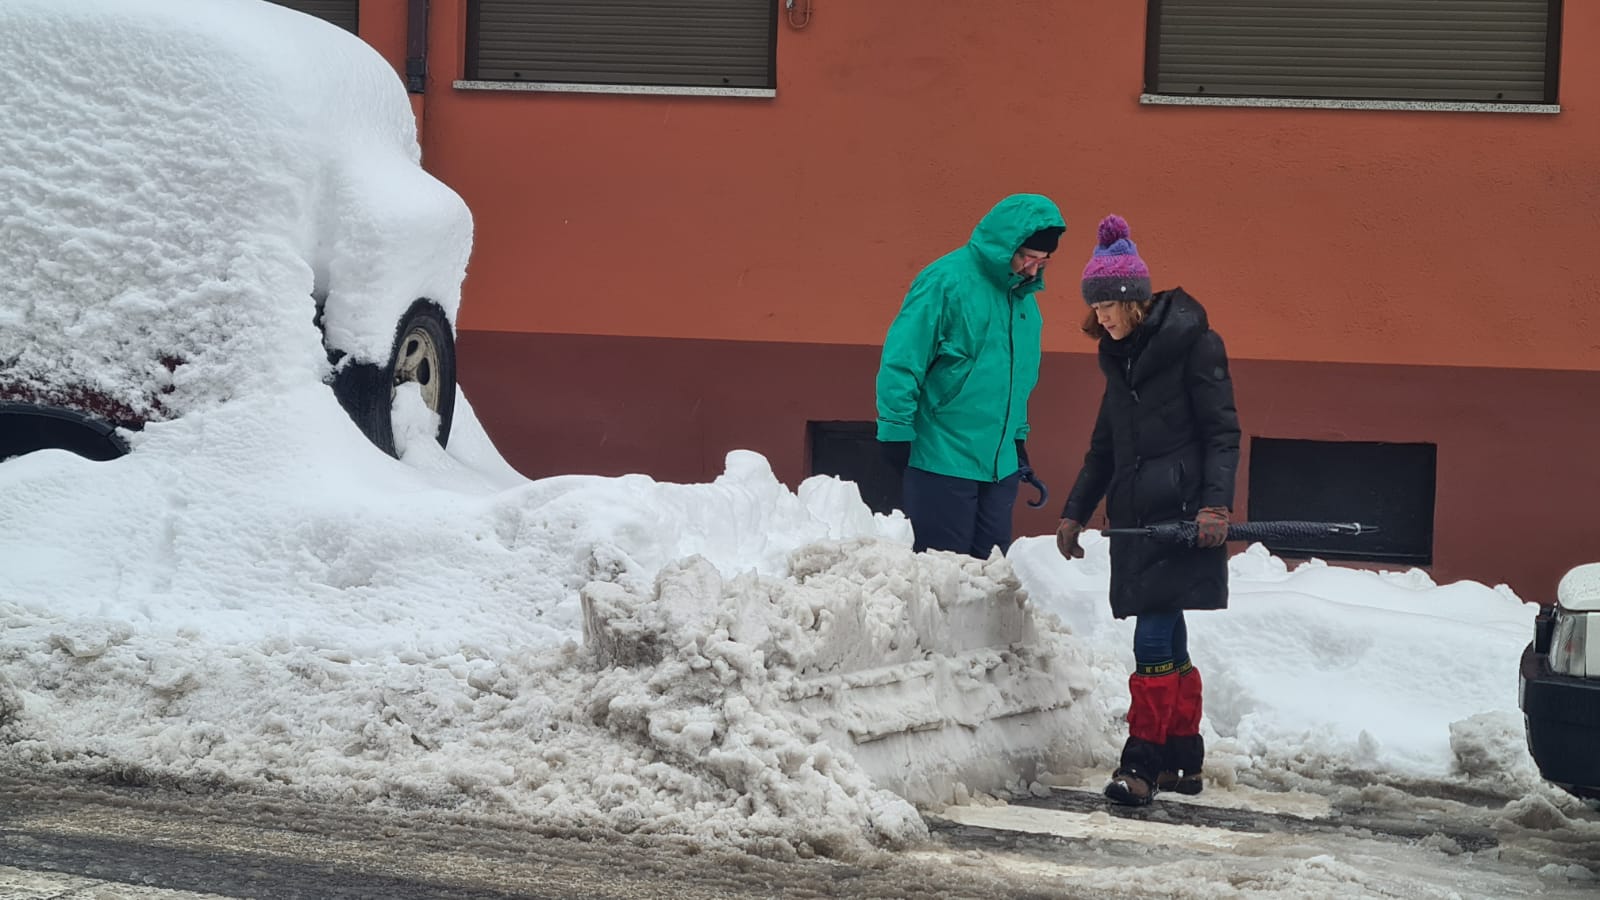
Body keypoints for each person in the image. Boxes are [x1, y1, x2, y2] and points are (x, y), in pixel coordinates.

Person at [1055, 214, 1240, 806]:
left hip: (1184, 519)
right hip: (1137, 519)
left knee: (1152, 638)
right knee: (1168, 633)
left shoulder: (1195, 345)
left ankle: (1141, 762)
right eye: (1096, 303)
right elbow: (1105, 444)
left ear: (1134, 300)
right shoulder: (1118, 358)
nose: (1101, 315)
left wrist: (1215, 504)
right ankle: (1184, 758)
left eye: (1110, 302)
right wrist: (1076, 510)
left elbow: (1222, 432)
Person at [875, 193, 1066, 558]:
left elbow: (1018, 378)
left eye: (1043, 262)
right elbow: (903, 359)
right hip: (942, 457)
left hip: (999, 466)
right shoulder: (944, 282)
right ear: (1003, 245)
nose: (1033, 270)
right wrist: (894, 429)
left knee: (990, 577)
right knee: (946, 575)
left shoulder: (1023, 300)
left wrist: (1017, 438)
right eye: (1027, 257)